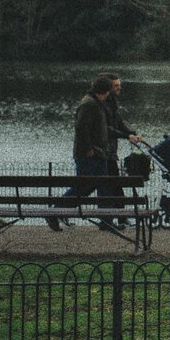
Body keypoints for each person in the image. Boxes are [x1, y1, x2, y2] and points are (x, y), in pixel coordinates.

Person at [50, 75, 114, 233]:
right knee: (83, 187)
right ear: (105, 91)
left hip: (98, 154)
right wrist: (88, 149)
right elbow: (80, 127)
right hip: (89, 155)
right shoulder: (89, 104)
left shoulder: (94, 102)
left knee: (101, 186)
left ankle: (106, 220)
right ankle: (55, 211)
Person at [102, 72, 142, 174]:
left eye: (119, 85)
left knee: (111, 187)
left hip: (111, 153)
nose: (119, 88)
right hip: (100, 154)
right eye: (116, 86)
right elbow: (105, 129)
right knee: (88, 187)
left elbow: (119, 125)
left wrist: (132, 133)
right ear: (107, 87)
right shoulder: (100, 105)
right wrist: (127, 136)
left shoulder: (114, 102)